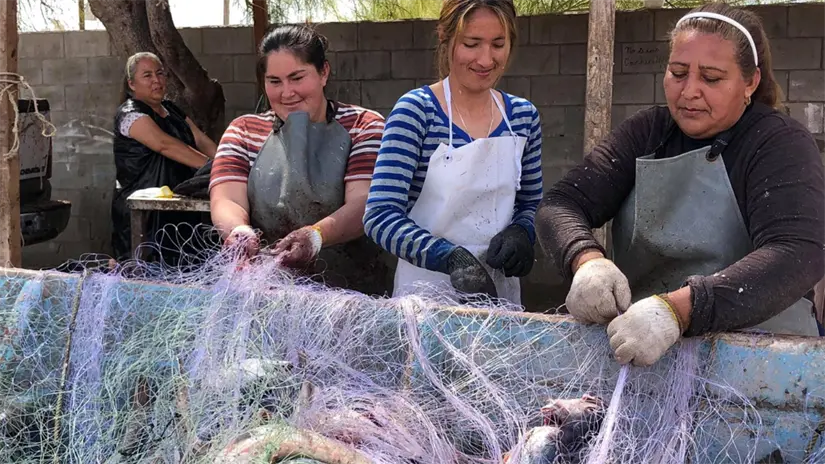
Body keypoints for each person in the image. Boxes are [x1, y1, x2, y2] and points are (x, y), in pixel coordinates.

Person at [536, 3, 825, 367]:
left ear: (750, 82)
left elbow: (798, 253)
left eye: (711, 78)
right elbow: (561, 204)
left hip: (763, 361)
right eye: (678, 72)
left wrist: (679, 311)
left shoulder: (778, 143)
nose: (689, 91)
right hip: (645, 356)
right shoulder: (648, 132)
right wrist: (585, 259)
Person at [363, 0, 543, 305]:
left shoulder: (522, 118)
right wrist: (449, 258)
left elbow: (531, 203)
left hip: (499, 299)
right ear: (446, 38)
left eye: (498, 44)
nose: (486, 59)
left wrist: (523, 231)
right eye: (472, 44)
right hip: (425, 301)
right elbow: (380, 217)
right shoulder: (417, 112)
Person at [208, 24, 392, 295]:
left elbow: (363, 202)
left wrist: (316, 235)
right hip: (268, 291)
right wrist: (238, 231)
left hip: (351, 292)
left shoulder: (364, 125)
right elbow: (227, 199)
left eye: (297, 78)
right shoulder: (243, 130)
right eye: (274, 81)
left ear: (324, 73)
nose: (287, 92)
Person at [111, 52, 217, 263]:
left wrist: (229, 161)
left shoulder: (171, 110)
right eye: (147, 75)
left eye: (160, 73)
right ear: (132, 84)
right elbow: (164, 144)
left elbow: (200, 140)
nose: (156, 80)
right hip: (146, 215)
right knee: (147, 270)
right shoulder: (130, 114)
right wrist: (213, 167)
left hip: (177, 208)